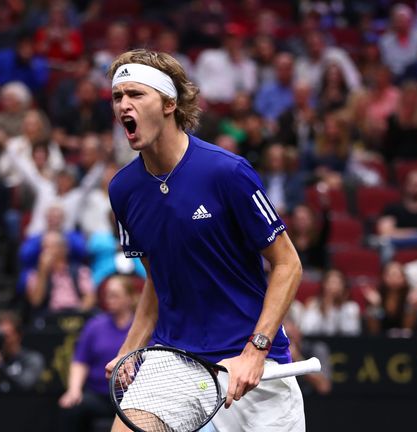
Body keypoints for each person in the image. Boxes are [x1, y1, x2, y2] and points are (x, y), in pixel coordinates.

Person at [105, 49, 305, 431]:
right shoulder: (123, 190)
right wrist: (130, 348)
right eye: (118, 97)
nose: (124, 105)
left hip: (249, 361)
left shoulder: (228, 172)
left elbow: (287, 264)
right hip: (174, 358)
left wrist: (255, 350)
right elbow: (157, 280)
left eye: (136, 94)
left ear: (168, 103)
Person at [59, 275, 136, 432]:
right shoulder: (94, 325)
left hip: (131, 398)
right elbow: (80, 361)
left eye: (115, 295)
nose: (109, 299)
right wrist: (74, 390)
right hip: (98, 395)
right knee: (72, 407)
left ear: (129, 298)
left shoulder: (141, 328)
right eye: (107, 295)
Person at [287, 269, 361, 336]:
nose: (333, 287)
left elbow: (352, 331)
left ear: (343, 287)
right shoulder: (314, 304)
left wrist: (339, 308)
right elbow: (306, 329)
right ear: (324, 285)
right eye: (330, 282)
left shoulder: (351, 307)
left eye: (337, 283)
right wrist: (325, 309)